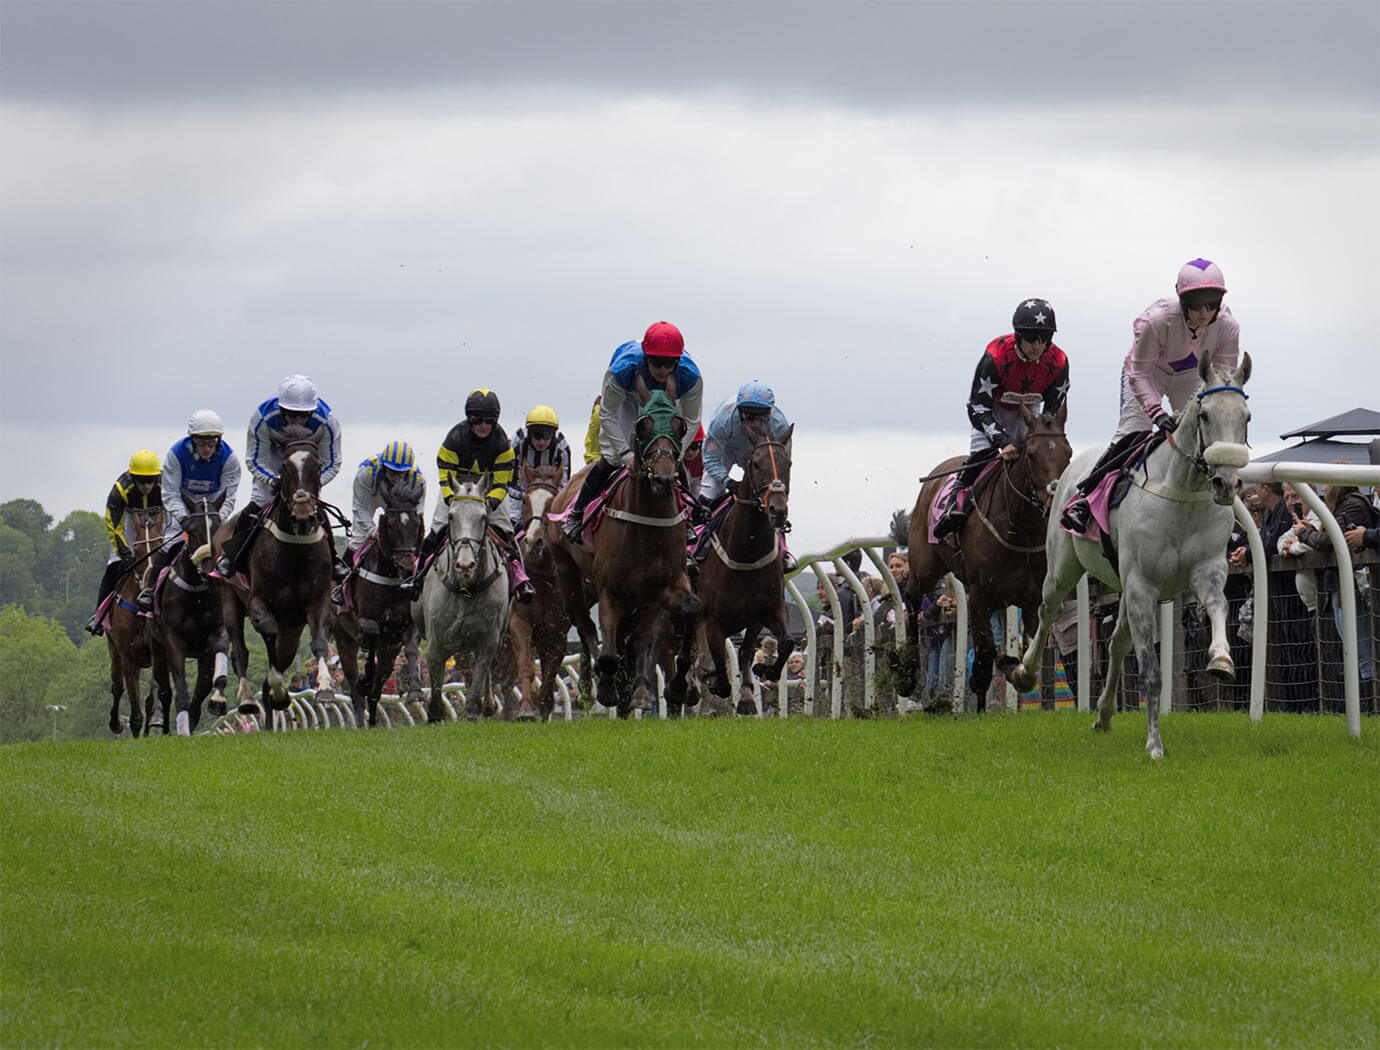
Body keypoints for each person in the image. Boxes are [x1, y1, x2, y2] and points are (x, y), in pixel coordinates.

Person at [1061, 259, 1240, 533]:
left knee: (1203, 432)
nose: (1204, 312)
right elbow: (1140, 373)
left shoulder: (1228, 326)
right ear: (1182, 299)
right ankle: (1084, 498)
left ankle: (1222, 510)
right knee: (1134, 431)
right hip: (1148, 372)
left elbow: (1225, 379)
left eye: (1211, 303)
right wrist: (1157, 413)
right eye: (1196, 303)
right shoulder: (1155, 321)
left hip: (1191, 375)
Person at [935, 298, 1070, 538]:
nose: (1037, 346)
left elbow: (1052, 410)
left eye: (1043, 339)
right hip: (991, 411)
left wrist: (1041, 435)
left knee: (1046, 456)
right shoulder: (996, 355)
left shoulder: (1059, 361)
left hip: (1029, 413)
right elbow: (977, 406)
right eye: (1030, 338)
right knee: (983, 456)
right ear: (1018, 336)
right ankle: (954, 503)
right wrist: (1001, 442)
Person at [563, 321, 703, 543]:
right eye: (658, 364)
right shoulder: (622, 370)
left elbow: (692, 421)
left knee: (673, 464)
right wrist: (627, 455)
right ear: (646, 358)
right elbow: (607, 415)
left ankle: (687, 521)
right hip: (628, 398)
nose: (664, 371)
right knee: (611, 458)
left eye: (670, 365)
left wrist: (674, 454)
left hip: (667, 401)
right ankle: (577, 514)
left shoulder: (689, 375)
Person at [216, 374, 345, 579]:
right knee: (259, 501)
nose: (298, 419)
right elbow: (255, 460)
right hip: (274, 459)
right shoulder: (262, 417)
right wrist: (274, 480)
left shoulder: (328, 421)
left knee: (314, 506)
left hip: (307, 464)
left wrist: (309, 484)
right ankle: (231, 557)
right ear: (281, 408)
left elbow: (333, 462)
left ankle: (335, 559)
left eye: (304, 415)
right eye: (292, 414)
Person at [412, 388, 534, 603]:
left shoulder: (503, 445)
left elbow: (501, 482)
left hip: (487, 492)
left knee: (507, 533)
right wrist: (452, 498)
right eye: (477, 420)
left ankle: (520, 581)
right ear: (469, 419)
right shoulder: (454, 438)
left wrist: (490, 503)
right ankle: (417, 578)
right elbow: (445, 475)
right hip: (457, 490)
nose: (483, 426)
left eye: (489, 420)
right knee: (436, 530)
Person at [137, 409, 242, 610]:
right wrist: (184, 519)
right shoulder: (176, 455)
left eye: (212, 443)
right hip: (184, 506)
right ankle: (150, 592)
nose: (207, 449)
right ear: (192, 440)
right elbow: (170, 493)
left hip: (212, 507)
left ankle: (239, 591)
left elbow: (228, 496)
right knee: (171, 542)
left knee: (227, 545)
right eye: (202, 443)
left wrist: (218, 518)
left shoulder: (229, 459)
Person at [332, 441, 426, 605]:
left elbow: (418, 514)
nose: (397, 477)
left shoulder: (418, 480)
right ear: (384, 466)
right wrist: (373, 531)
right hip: (373, 497)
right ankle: (342, 584)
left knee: (408, 539)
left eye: (401, 473)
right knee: (359, 538)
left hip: (402, 502)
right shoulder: (366, 473)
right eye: (392, 471)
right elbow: (360, 508)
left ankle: (418, 581)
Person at [85, 450, 164, 635]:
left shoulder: (165, 485)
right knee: (115, 563)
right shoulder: (120, 489)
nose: (147, 486)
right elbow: (113, 525)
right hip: (130, 516)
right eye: (142, 481)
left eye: (151, 481)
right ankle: (99, 616)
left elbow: (174, 510)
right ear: (133, 478)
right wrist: (125, 553)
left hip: (159, 514)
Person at [508, 404, 572, 527]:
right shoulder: (516, 442)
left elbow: (564, 484)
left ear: (553, 434)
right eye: (537, 436)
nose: (542, 442)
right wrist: (528, 496)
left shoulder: (562, 447)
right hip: (520, 494)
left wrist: (545, 496)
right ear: (530, 433)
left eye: (547, 436)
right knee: (512, 519)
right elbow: (508, 481)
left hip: (550, 494)